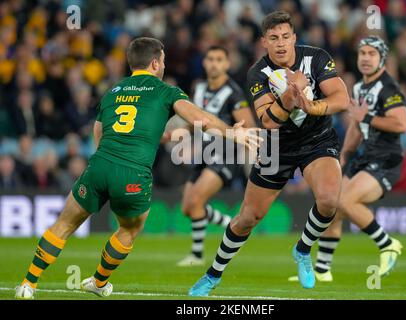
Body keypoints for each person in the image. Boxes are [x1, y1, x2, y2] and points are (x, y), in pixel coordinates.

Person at [14, 37, 261, 299]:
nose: (164, 65)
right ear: (155, 63)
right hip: (133, 173)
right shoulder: (165, 90)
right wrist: (232, 133)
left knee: (63, 224)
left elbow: (99, 131)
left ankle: (28, 284)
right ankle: (98, 282)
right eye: (163, 60)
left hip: (99, 165)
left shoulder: (114, 91)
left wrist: (105, 163)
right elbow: (200, 118)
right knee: (130, 229)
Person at [189, 10, 349, 296]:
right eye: (274, 38)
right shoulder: (257, 72)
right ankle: (213, 275)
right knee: (247, 218)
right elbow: (268, 121)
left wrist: (312, 107)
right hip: (276, 146)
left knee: (328, 201)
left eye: (286, 37)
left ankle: (302, 250)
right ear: (264, 41)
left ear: (294, 38)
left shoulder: (317, 57)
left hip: (318, 140)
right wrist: (289, 96)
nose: (281, 43)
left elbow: (341, 98)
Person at [311, 36, 406, 282]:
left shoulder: (388, 88)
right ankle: (322, 270)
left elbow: (402, 124)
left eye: (371, 54)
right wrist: (344, 156)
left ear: (382, 58)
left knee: (345, 201)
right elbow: (356, 126)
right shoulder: (358, 88)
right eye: (362, 53)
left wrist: (366, 118)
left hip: (387, 160)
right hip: (365, 158)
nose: (365, 58)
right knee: (332, 206)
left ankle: (387, 244)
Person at [177, 45, 256, 267]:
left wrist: (253, 155)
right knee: (187, 208)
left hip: (226, 156)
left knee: (196, 201)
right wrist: (175, 135)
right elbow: (194, 120)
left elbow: (248, 126)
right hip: (203, 154)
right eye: (210, 58)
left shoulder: (234, 93)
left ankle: (196, 255)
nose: (214, 63)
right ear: (204, 62)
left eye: (219, 59)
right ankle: (230, 223)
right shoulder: (199, 88)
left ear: (227, 64)